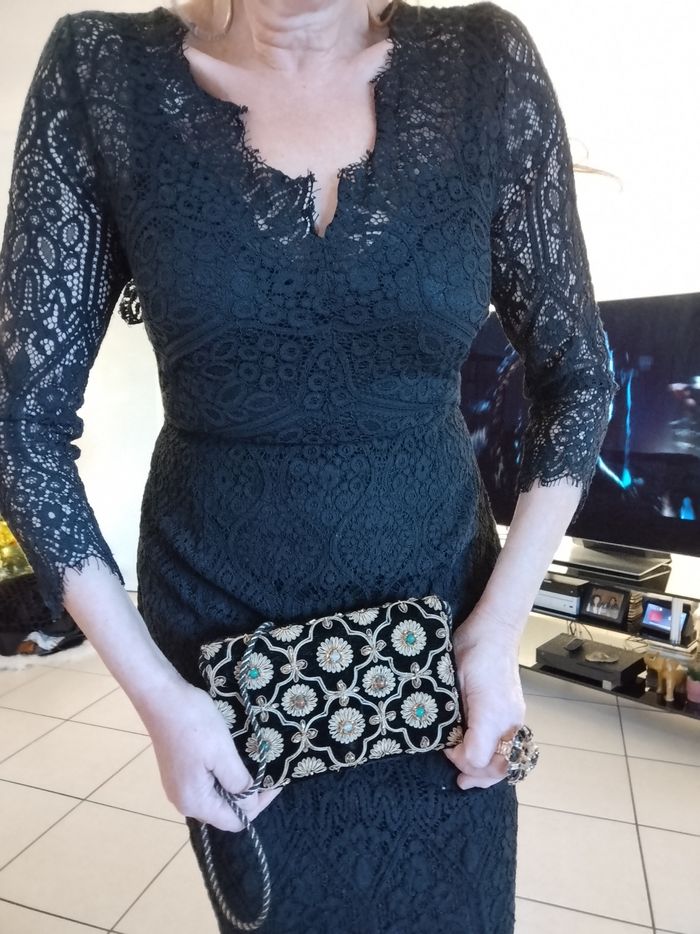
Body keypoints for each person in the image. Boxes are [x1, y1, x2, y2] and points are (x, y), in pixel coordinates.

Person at [0, 0, 620, 931]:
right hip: (225, 654)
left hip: (445, 642)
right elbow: (21, 422)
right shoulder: (102, 73)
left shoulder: (485, 64)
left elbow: (578, 377)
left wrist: (498, 635)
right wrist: (160, 698)